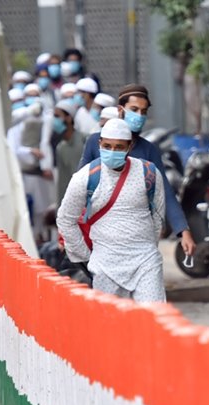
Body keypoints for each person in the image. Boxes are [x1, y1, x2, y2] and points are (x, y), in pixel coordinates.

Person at [78, 84, 196, 257]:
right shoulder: (96, 142)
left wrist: (183, 230)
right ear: (120, 110)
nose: (139, 116)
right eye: (134, 109)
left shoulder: (149, 151)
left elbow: (164, 192)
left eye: (143, 111)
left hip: (137, 236)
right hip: (101, 234)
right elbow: (79, 187)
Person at [57, 118, 166, 302]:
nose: (112, 151)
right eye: (107, 146)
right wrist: (87, 256)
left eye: (118, 147)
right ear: (99, 144)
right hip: (105, 267)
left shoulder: (149, 173)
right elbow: (65, 219)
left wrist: (147, 246)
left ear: (129, 146)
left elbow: (157, 217)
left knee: (152, 321)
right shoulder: (84, 178)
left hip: (146, 262)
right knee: (111, 326)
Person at [8, 84, 54, 241]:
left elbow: (46, 144)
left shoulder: (45, 119)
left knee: (43, 207)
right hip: (22, 171)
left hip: (39, 172)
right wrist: (29, 152)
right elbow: (13, 148)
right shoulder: (16, 120)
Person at [52, 99, 86, 206]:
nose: (55, 120)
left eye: (57, 116)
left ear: (68, 118)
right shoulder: (61, 147)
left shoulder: (85, 140)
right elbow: (62, 181)